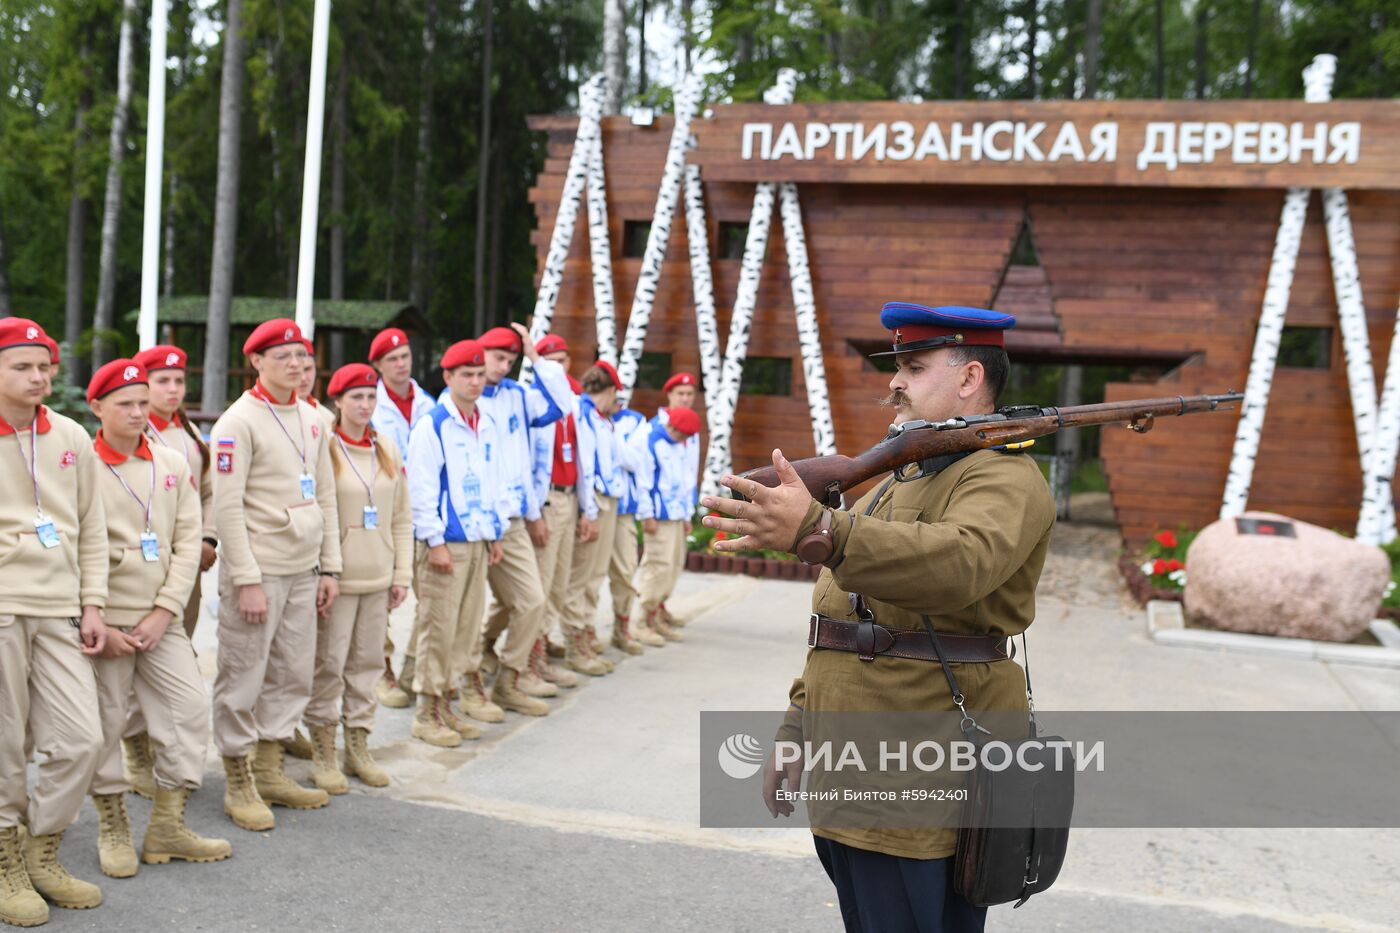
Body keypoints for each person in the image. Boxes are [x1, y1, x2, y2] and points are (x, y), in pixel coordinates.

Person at [703, 303, 1055, 933]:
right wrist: (795, 729)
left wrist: (821, 528)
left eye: (914, 367)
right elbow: (841, 621)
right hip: (856, 761)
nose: (894, 383)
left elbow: (960, 563)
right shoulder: (903, 475)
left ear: (971, 378)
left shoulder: (1004, 475)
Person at [83, 360, 231, 879]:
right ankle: (113, 822)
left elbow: (189, 541)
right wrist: (94, 616)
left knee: (190, 710)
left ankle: (167, 824)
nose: (138, 413)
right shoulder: (82, 466)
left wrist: (165, 610)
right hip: (103, 625)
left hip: (159, 619)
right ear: (96, 407)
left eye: (143, 403)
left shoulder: (170, 462)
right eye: (125, 404)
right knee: (104, 725)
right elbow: (81, 547)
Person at [209, 318, 341, 831]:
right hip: (260, 570)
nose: (295, 365)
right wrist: (245, 578)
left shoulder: (313, 418)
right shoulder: (237, 423)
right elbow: (227, 507)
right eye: (282, 356)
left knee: (292, 672)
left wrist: (330, 565)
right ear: (257, 362)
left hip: (303, 568)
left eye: (301, 356)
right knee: (244, 674)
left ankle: (270, 767)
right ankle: (239, 776)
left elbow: (324, 493)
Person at [0, 318, 107, 926]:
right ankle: (5, 857)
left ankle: (41, 849)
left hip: (60, 607)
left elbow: (90, 525)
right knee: (6, 745)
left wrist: (92, 603)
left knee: (81, 739)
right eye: (22, 367)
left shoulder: (69, 434)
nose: (38, 377)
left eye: (44, 366)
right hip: (4, 608)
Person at [302, 364, 412, 790]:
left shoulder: (386, 447)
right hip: (339, 578)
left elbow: (400, 517)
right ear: (338, 402)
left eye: (370, 397)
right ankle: (323, 749)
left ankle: (358, 744)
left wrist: (401, 572)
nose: (365, 406)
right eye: (356, 398)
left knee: (367, 664)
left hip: (378, 575)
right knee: (329, 665)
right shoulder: (325, 448)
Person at [119, 344, 217, 801]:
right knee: (137, 661)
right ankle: (136, 749)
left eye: (179, 381)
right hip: (140, 566)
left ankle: (165, 749)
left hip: (185, 565)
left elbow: (208, 493)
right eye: (163, 381)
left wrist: (208, 539)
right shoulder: (133, 434)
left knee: (176, 652)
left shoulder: (191, 433)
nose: (174, 390)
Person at [406, 340, 513, 746]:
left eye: (478, 374)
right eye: (465, 375)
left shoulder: (485, 421)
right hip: (446, 543)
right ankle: (426, 710)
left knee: (466, 628)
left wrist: (496, 530)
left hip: (478, 538)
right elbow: (420, 487)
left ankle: (447, 704)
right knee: (439, 627)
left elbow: (495, 479)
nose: (474, 382)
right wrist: (433, 540)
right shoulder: (433, 424)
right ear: (447, 377)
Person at [458, 325, 570, 708]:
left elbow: (561, 404)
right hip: (473, 524)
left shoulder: (518, 396)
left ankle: (509, 678)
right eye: (497, 357)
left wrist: (536, 358)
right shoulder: (459, 401)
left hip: (514, 521)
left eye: (510, 359)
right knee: (466, 611)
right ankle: (455, 684)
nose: (503, 366)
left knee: (531, 600)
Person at [524, 335, 602, 679]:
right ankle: (528, 658)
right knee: (539, 582)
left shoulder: (573, 405)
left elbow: (584, 462)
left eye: (563, 360)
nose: (558, 367)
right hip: (547, 498)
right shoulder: (533, 402)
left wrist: (588, 509)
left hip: (570, 497)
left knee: (558, 580)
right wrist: (535, 510)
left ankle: (538, 645)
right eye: (549, 361)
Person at [367, 327, 436, 709]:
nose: (401, 363)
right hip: (384, 512)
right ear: (377, 365)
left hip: (422, 510)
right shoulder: (369, 403)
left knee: (431, 593)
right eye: (392, 358)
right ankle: (382, 668)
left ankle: (415, 665)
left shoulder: (428, 403)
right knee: (382, 594)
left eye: (406, 355)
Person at [559, 361, 644, 656]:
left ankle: (582, 635)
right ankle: (574, 640)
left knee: (592, 575)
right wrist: (588, 511)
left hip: (606, 499)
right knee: (582, 575)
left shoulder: (599, 417)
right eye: (614, 395)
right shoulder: (584, 413)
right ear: (608, 390)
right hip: (593, 499)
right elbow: (586, 465)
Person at [631, 406, 701, 643]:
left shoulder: (678, 444)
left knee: (673, 565)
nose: (683, 440)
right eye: (681, 435)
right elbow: (644, 482)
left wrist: (686, 515)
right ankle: (641, 620)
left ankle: (657, 615)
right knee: (657, 566)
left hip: (676, 515)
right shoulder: (651, 441)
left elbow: (685, 480)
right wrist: (647, 515)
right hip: (658, 517)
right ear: (671, 427)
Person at [609, 402, 662, 649]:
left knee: (625, 571)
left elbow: (634, 463)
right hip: (591, 506)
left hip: (623, 509)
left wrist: (609, 430)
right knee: (584, 578)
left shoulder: (634, 420)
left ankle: (621, 629)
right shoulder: (582, 412)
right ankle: (579, 636)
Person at [650, 372, 701, 628]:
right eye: (680, 394)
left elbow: (689, 472)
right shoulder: (656, 429)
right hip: (661, 509)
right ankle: (647, 613)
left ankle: (659, 607)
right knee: (659, 561)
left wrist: (688, 510)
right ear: (669, 395)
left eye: (689, 394)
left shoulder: (691, 429)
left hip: (679, 507)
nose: (684, 398)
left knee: (675, 561)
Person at [298, 338, 337, 434]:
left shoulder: (328, 418)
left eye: (308, 369)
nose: (303, 378)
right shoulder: (269, 411)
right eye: (297, 370)